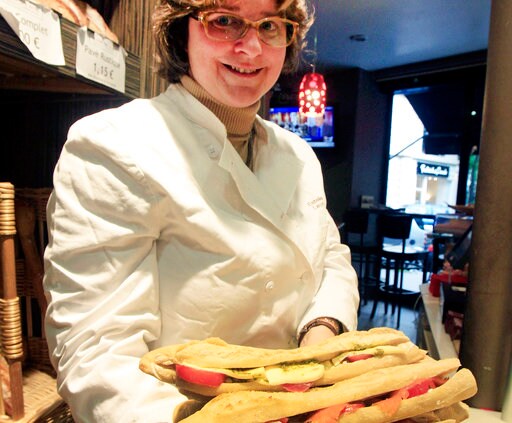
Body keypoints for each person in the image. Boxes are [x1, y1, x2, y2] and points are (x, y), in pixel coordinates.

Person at [43, 0, 359, 421]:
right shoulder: (113, 147)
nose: (251, 48)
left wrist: (322, 329)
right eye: (224, 21)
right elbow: (96, 353)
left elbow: (331, 258)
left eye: (270, 26)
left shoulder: (298, 154)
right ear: (181, 31)